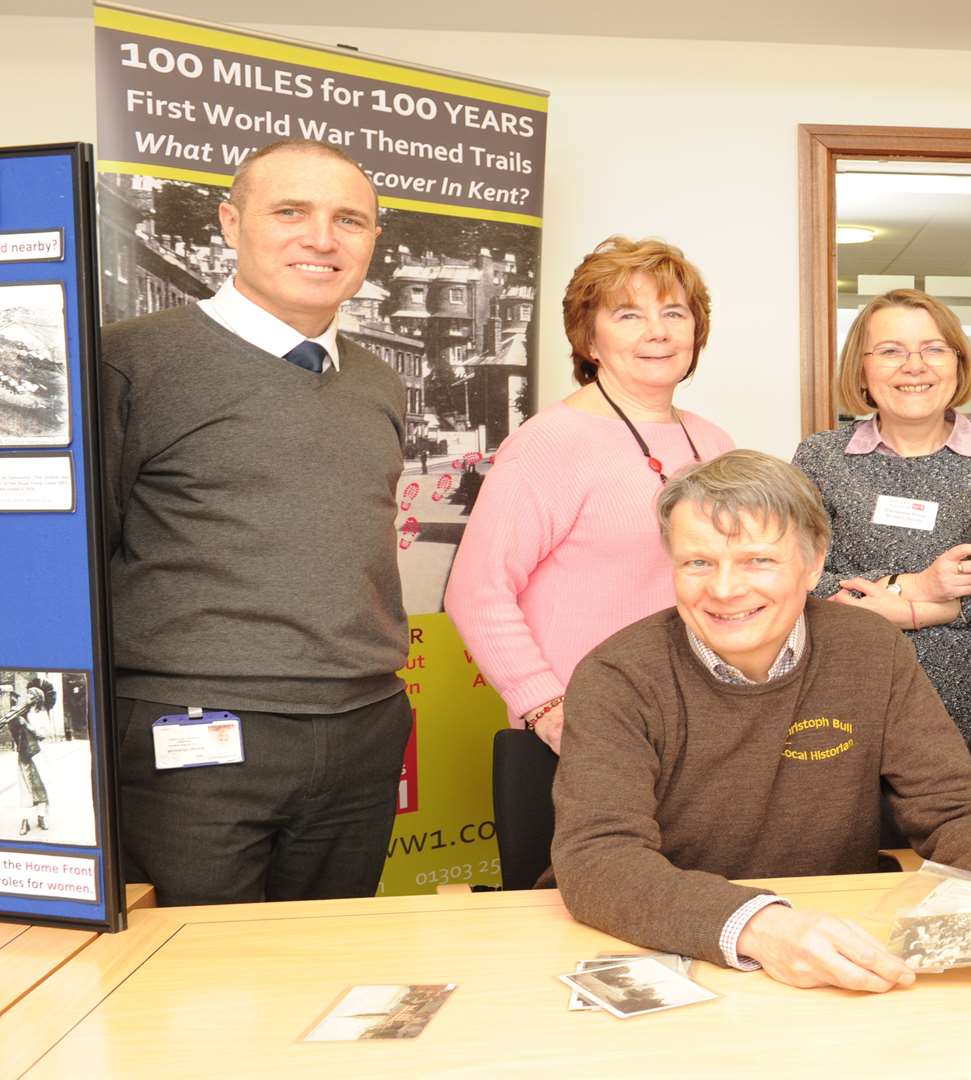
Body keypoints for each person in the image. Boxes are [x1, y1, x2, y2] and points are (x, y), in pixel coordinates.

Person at [552, 450, 971, 993]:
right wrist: (760, 925)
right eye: (698, 563)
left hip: (840, 944)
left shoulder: (869, 647)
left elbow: (951, 800)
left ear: (815, 562)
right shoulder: (617, 674)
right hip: (679, 945)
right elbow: (597, 860)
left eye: (758, 561)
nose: (724, 590)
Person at [99, 138, 412, 905]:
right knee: (191, 990)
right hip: (193, 738)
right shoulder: (131, 364)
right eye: (290, 212)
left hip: (362, 727)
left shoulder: (377, 381)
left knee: (325, 971)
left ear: (372, 240)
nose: (321, 238)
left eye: (350, 220)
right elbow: (70, 563)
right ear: (230, 224)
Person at [446, 238, 732, 752]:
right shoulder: (548, 443)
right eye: (628, 315)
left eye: (674, 312)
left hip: (699, 720)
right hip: (590, 732)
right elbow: (476, 591)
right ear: (590, 340)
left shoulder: (713, 441)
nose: (658, 332)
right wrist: (546, 707)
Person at [792, 289, 971, 736]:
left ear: (958, 363)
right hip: (856, 687)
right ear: (861, 367)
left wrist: (922, 613)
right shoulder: (822, 457)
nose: (915, 366)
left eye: (934, 349)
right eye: (891, 351)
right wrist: (911, 586)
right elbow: (796, 573)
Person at [3, 678, 50, 836]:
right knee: (25, 788)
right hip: (24, 753)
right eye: (27, 693)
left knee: (41, 786)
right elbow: (14, 732)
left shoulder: (41, 714)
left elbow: (43, 735)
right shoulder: (21, 711)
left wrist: (27, 725)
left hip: (38, 755)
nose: (27, 696)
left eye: (30, 694)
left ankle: (41, 817)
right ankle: (25, 821)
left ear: (37, 698)